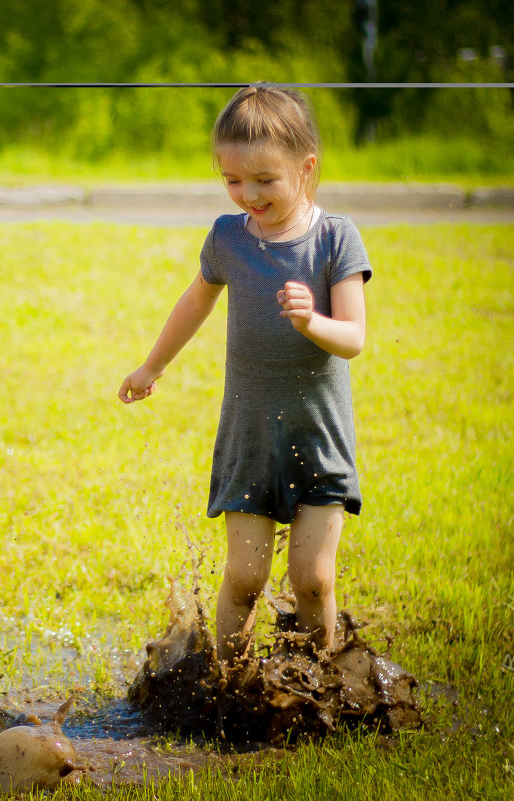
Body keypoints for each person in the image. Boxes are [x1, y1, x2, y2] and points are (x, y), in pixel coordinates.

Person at [118, 86, 372, 665]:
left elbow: (354, 339)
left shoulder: (336, 238)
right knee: (244, 575)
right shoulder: (229, 237)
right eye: (233, 180)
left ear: (305, 169)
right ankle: (228, 684)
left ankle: (323, 682)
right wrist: (151, 365)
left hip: (319, 436)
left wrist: (312, 321)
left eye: (265, 180)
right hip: (249, 437)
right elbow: (196, 301)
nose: (248, 195)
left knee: (311, 579)